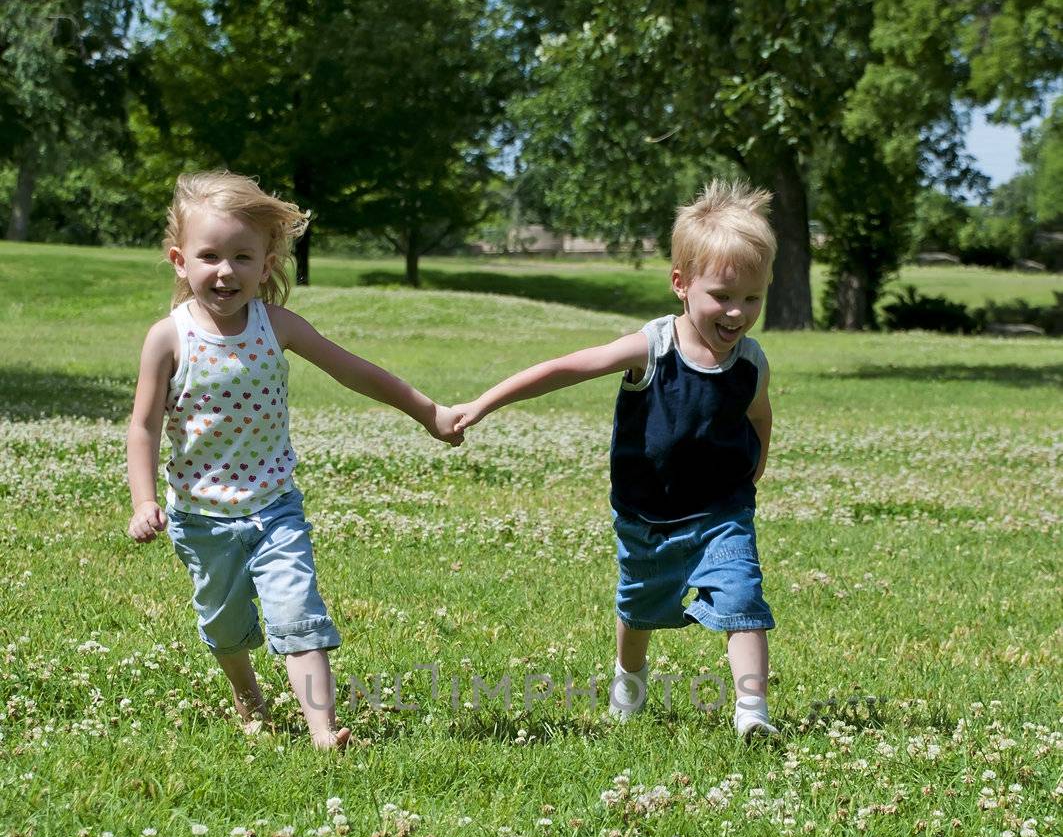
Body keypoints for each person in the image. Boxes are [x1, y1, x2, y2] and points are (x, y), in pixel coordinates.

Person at [126, 170, 462, 749]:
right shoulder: (168, 338)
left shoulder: (275, 326)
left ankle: (323, 730)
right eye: (210, 256)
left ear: (266, 262)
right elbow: (144, 426)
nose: (226, 270)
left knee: (297, 612)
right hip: (201, 518)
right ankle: (247, 693)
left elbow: (355, 370)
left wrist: (425, 411)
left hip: (275, 507)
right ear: (181, 261)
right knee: (225, 627)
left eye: (242, 257)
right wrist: (144, 500)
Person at [455, 179, 779, 738]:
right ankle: (628, 678)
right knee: (640, 607)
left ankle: (752, 712)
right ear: (681, 284)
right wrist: (484, 403)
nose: (737, 312)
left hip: (722, 511)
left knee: (744, 598)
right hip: (647, 514)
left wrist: (759, 461)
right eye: (722, 296)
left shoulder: (750, 361)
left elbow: (757, 413)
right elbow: (565, 368)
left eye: (752, 298)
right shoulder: (651, 348)